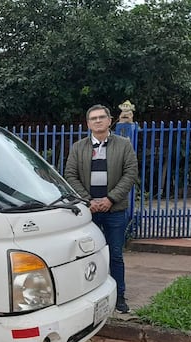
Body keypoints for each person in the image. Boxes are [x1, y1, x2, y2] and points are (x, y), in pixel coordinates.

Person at [64, 104, 139, 313]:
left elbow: (131, 173)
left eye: (101, 117)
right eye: (93, 118)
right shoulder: (79, 147)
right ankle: (89, 296)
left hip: (114, 210)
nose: (97, 121)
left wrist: (111, 199)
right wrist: (88, 200)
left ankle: (119, 296)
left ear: (109, 120)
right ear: (88, 124)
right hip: (88, 213)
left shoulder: (124, 145)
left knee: (115, 254)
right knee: (87, 256)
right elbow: (70, 175)